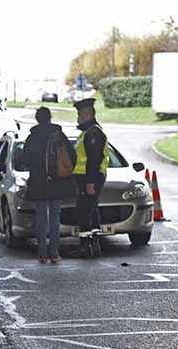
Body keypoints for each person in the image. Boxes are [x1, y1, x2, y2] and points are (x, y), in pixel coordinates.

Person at [23, 107, 76, 263]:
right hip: (57, 182)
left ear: (37, 119)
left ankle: (42, 254)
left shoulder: (32, 137)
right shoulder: (58, 135)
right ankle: (54, 252)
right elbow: (71, 155)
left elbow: (25, 159)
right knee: (55, 217)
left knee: (41, 218)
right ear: (50, 118)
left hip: (39, 183)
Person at [72, 98, 108, 258]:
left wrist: (90, 182)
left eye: (81, 114)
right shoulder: (89, 132)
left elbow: (94, 159)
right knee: (91, 211)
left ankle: (86, 247)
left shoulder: (93, 133)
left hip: (89, 177)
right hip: (87, 177)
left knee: (83, 211)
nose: (79, 117)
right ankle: (94, 244)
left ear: (88, 114)